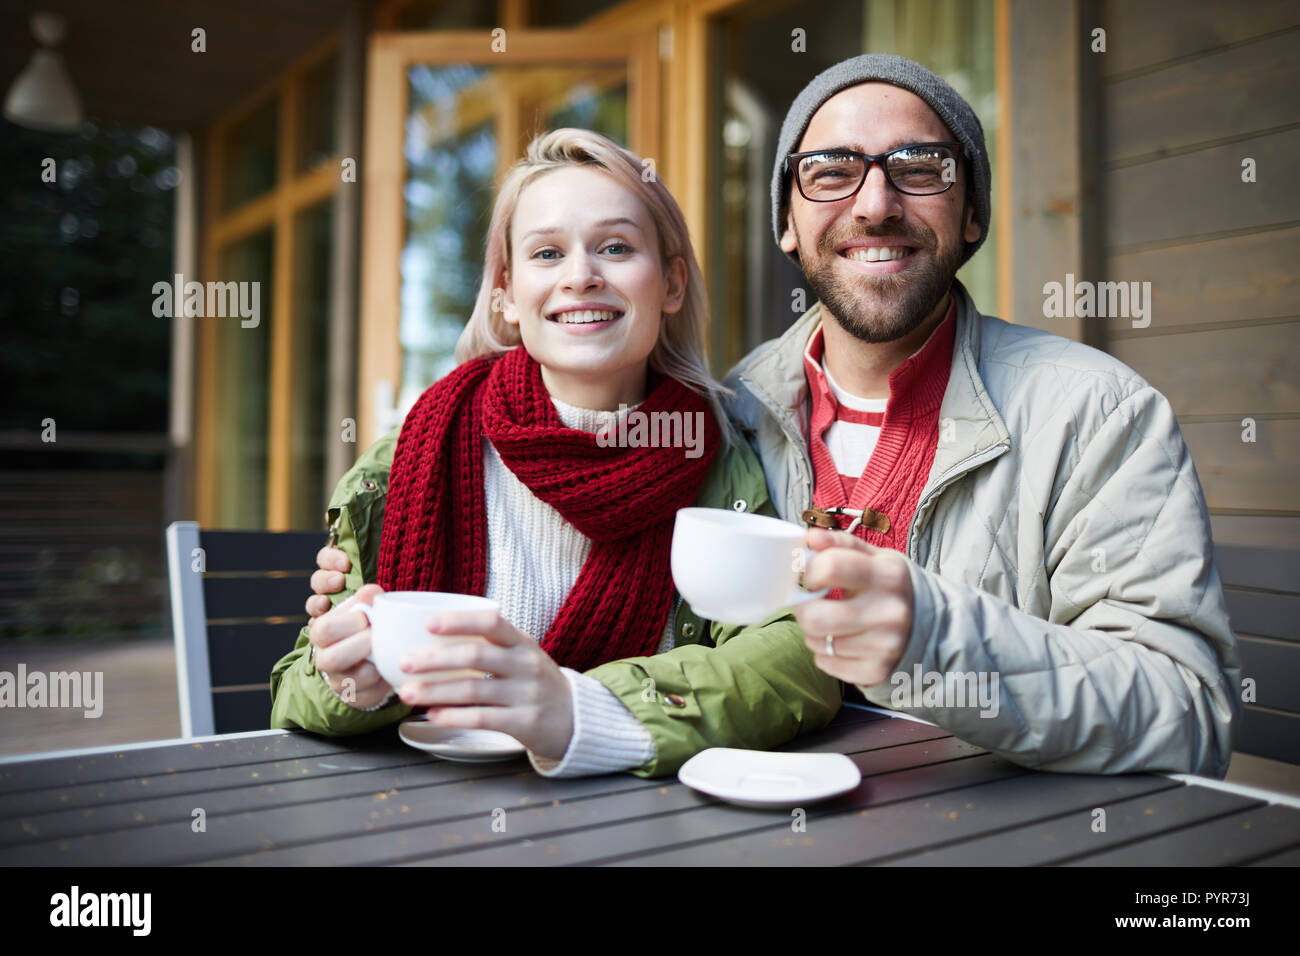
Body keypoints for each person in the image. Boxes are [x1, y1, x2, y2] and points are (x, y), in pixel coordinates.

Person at [728, 53, 1240, 777]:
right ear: (786, 219)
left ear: (971, 213)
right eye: (831, 170)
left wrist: (936, 640)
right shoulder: (728, 410)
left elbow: (1188, 709)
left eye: (919, 165)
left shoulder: (1098, 415)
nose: (875, 203)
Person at [270, 128, 840, 778]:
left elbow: (797, 657)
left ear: (672, 285)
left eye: (616, 247)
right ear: (508, 296)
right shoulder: (407, 458)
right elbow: (294, 687)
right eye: (547, 253)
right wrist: (348, 686)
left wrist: (581, 709)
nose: (581, 277)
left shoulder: (720, 461)